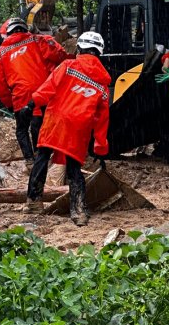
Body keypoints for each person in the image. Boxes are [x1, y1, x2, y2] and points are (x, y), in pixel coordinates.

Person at [21, 31, 111, 226]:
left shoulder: (68, 66)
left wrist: (31, 104)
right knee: (73, 168)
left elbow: (48, 88)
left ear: (79, 49)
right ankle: (78, 211)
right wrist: (100, 146)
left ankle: (34, 202)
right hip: (79, 127)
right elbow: (102, 118)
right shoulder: (103, 86)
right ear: (99, 53)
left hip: (57, 120)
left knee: (42, 158)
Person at [0, 17, 68, 171]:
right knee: (39, 126)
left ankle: (30, 161)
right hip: (42, 94)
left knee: (21, 129)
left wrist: (10, 104)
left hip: (20, 97)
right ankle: (42, 157)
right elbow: (60, 56)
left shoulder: (2, 51)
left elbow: (0, 83)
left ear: (9, 32)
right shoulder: (39, 41)